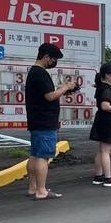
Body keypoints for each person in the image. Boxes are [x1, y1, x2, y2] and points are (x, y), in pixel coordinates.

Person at [25, 43, 77, 200]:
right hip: (45, 121)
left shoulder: (34, 72)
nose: (54, 62)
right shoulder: (40, 73)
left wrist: (61, 89)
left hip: (36, 120)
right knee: (43, 156)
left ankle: (33, 187)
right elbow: (49, 96)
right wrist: (65, 87)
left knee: (35, 155)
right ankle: (41, 191)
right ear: (46, 57)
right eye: (53, 59)